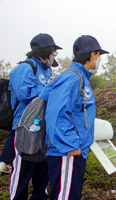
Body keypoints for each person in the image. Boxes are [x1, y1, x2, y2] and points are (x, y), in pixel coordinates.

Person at [39, 35, 108, 200]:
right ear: (92, 55)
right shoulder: (72, 77)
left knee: (71, 195)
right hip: (67, 152)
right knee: (64, 196)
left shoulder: (81, 77)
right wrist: (70, 144)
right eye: (99, 55)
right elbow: (57, 114)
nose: (99, 59)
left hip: (74, 151)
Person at [9, 33, 62, 200]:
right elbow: (24, 94)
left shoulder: (47, 70)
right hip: (25, 127)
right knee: (22, 173)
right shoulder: (25, 67)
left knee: (42, 173)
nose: (54, 55)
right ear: (46, 50)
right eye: (53, 51)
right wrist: (48, 87)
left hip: (43, 128)